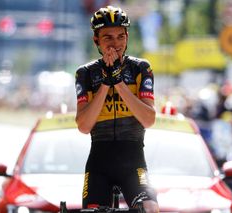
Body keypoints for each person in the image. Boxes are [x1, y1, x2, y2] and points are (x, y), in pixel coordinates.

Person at [75, 5, 159, 213]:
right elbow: (84, 126)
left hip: (133, 161)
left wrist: (119, 83)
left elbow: (148, 119)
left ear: (127, 37)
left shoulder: (141, 68)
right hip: (99, 163)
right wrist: (105, 83)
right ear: (96, 41)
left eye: (121, 37)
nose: (116, 44)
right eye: (108, 38)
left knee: (150, 209)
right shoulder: (85, 73)